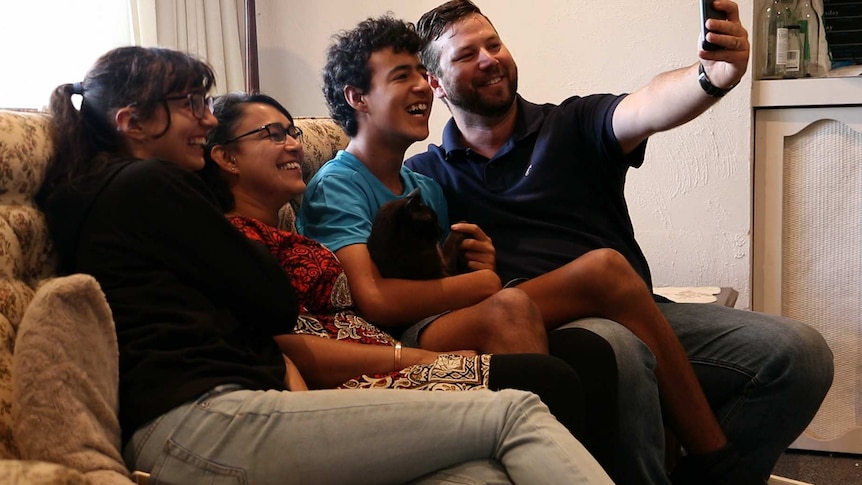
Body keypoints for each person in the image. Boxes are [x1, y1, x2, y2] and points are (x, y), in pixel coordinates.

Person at [35, 45, 614, 485]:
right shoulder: (150, 184)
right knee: (516, 411)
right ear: (132, 122)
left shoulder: (96, 197)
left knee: (475, 476)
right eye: (188, 105)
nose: (205, 119)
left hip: (214, 418)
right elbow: (273, 301)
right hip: (205, 421)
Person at [299, 13, 751, 485]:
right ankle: (703, 465)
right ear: (358, 99)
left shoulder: (422, 184)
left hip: (441, 320)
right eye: (401, 76)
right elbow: (371, 300)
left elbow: (645, 106)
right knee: (570, 285)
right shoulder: (343, 181)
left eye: (418, 73)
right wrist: (482, 282)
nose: (419, 88)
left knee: (787, 352)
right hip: (382, 341)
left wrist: (710, 77)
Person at [405, 1, 835, 484]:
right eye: (467, 54)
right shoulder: (425, 178)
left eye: (494, 44)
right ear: (436, 82)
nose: (489, 58)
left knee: (800, 353)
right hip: (541, 332)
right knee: (617, 349)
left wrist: (710, 76)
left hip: (641, 309)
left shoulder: (571, 123)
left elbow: (646, 104)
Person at [198, 91, 614, 459]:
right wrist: (423, 358)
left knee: (587, 352)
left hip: (385, 351)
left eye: (292, 132)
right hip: (361, 382)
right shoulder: (234, 241)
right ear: (226, 157)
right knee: (547, 376)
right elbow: (289, 347)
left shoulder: (291, 235)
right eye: (273, 133)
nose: (292, 144)